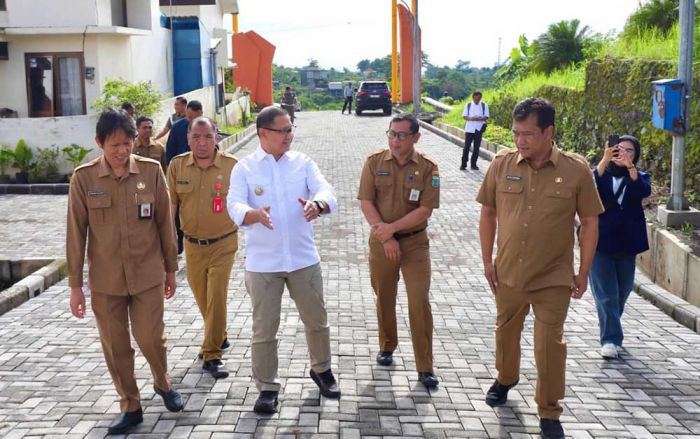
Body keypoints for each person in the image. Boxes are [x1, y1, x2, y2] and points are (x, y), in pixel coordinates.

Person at [476, 97, 603, 439]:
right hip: (510, 274)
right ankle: (506, 378)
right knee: (505, 334)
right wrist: (487, 261)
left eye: (528, 134)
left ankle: (549, 411)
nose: (520, 140)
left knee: (550, 345)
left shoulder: (576, 169)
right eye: (517, 133)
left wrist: (584, 271)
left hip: (553, 277)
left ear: (549, 132)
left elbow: (590, 222)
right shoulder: (502, 165)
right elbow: (487, 213)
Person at [66, 109, 183, 435]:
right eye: (114, 144)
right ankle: (130, 405)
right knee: (116, 348)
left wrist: (171, 269)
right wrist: (75, 286)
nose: (122, 151)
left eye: (127, 143)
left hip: (148, 274)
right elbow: (76, 234)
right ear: (100, 143)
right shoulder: (84, 178)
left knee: (150, 338)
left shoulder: (151, 171)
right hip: (106, 282)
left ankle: (162, 382)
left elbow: (164, 223)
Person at [227, 106, 339, 414]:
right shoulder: (245, 168)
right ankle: (266, 387)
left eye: (290, 129)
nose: (289, 136)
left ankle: (322, 370)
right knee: (264, 329)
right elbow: (233, 203)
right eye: (283, 130)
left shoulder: (302, 163)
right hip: (263, 264)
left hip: (303, 259)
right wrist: (252, 214)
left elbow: (326, 189)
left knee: (317, 320)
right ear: (263, 133)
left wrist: (319, 204)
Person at [357, 112, 440, 389]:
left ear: (416, 137)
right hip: (382, 243)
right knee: (384, 296)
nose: (395, 140)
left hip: (415, 244)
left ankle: (425, 366)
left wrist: (393, 230)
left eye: (402, 135)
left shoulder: (428, 168)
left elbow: (425, 210)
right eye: (392, 134)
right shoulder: (374, 163)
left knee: (418, 301)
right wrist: (385, 234)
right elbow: (366, 202)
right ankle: (387, 345)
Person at [167, 117, 238, 378]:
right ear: (188, 139)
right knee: (202, 297)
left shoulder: (232, 166)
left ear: (217, 137)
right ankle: (220, 335)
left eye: (207, 136)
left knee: (216, 294)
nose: (202, 142)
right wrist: (169, 238)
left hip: (224, 242)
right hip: (192, 244)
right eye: (196, 137)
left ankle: (211, 354)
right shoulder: (177, 166)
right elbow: (171, 206)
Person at [590, 135, 651, 359]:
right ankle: (610, 339)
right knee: (607, 294)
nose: (623, 153)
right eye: (619, 149)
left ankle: (611, 330)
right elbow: (589, 185)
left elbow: (643, 191)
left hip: (627, 243)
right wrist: (605, 160)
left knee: (622, 293)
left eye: (630, 151)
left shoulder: (640, 176)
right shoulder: (601, 174)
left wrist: (631, 168)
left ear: (636, 155)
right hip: (600, 242)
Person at [166, 99, 204, 254]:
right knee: (177, 205)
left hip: (201, 173)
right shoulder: (178, 127)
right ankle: (180, 238)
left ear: (201, 114)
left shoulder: (207, 127)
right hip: (180, 172)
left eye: (194, 117)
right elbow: (170, 149)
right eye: (188, 117)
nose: (190, 121)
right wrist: (170, 170)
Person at [461, 91, 489, 171]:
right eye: (475, 99)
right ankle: (463, 164)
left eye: (478, 99)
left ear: (480, 98)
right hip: (469, 129)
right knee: (466, 147)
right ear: (473, 98)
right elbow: (464, 116)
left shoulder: (484, 105)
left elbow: (486, 116)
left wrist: (480, 118)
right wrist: (472, 118)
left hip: (479, 129)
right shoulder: (468, 105)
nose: (477, 101)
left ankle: (474, 164)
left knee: (476, 148)